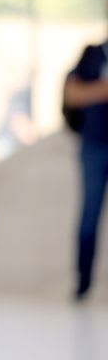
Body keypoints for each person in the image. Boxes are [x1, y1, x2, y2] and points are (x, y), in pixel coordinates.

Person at [63, 30, 108, 299]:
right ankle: (83, 284)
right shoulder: (92, 53)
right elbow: (72, 94)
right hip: (94, 145)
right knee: (89, 215)